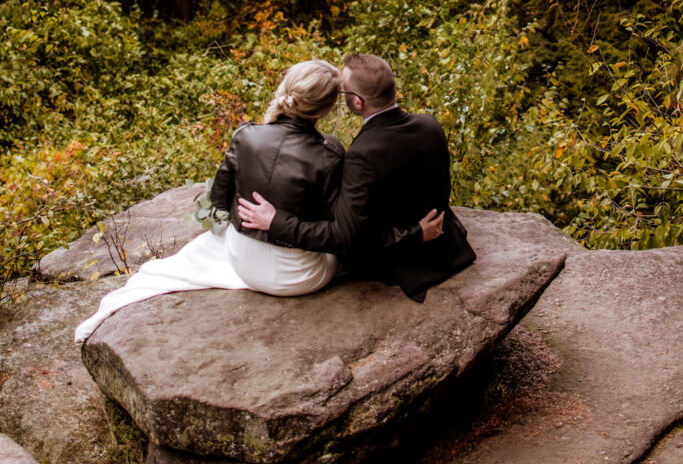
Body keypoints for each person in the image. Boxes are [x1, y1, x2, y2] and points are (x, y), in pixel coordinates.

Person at [75, 60, 345, 342]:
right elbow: (337, 232)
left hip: (243, 263)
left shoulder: (246, 136)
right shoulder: (330, 155)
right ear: (325, 109)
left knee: (210, 244)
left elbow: (218, 200)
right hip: (300, 278)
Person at [239, 53, 476, 302]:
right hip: (447, 245)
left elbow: (348, 237)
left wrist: (277, 222)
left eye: (343, 91)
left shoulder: (362, 155)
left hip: (403, 260)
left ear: (358, 102)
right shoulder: (430, 125)